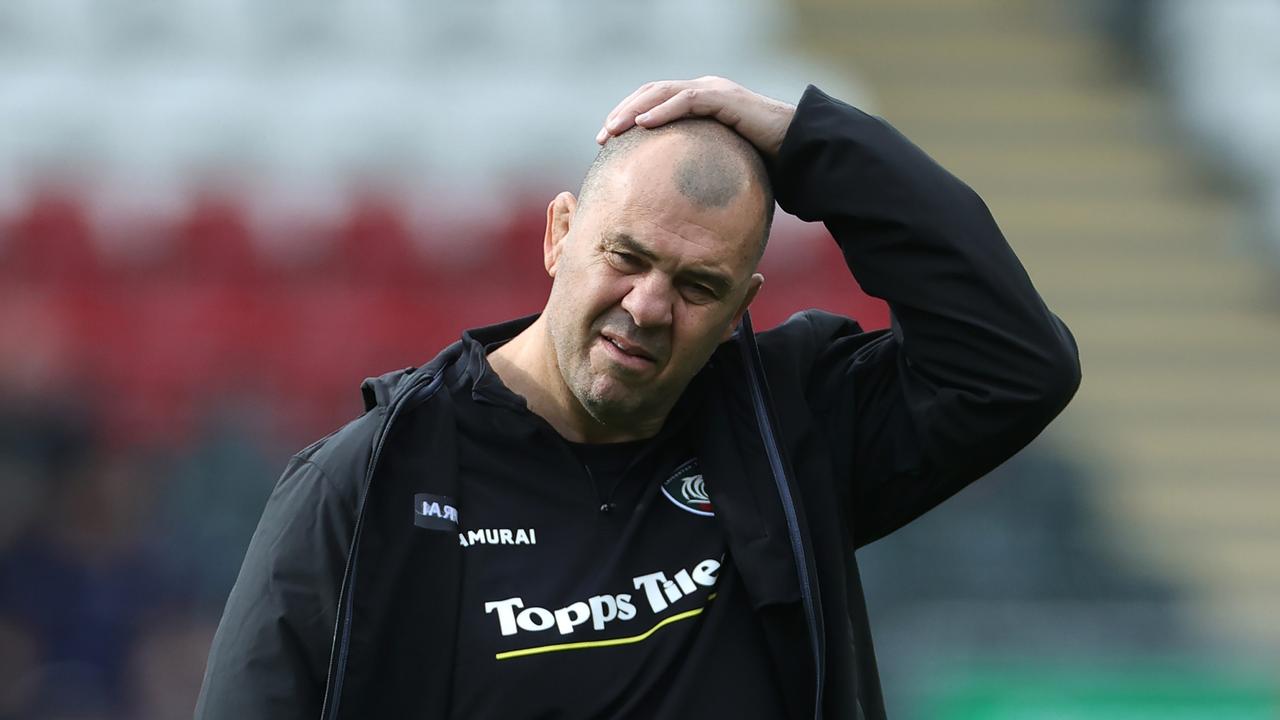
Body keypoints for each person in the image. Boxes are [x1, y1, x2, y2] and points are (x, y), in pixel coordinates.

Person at [195, 76, 1081, 720]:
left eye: (698, 286)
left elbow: (1014, 364)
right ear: (560, 234)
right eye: (627, 257)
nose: (649, 307)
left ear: (744, 303)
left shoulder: (787, 429)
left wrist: (811, 143)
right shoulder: (370, 482)